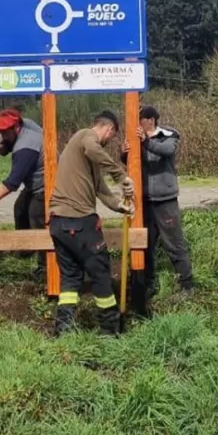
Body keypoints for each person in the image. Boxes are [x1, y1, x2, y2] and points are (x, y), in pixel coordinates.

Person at [48, 110, 135, 336]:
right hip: (80, 223)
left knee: (70, 278)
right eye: (112, 136)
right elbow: (94, 148)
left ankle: (63, 331)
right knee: (100, 275)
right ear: (110, 129)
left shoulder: (87, 156)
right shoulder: (86, 137)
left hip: (58, 224)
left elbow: (100, 190)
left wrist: (120, 206)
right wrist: (120, 174)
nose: (109, 141)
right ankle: (110, 331)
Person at [121, 105, 194, 297]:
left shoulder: (169, 136)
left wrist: (146, 142)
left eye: (141, 119)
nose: (137, 123)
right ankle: (148, 285)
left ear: (150, 119)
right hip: (144, 201)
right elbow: (131, 163)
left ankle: (187, 285)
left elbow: (166, 151)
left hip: (165, 200)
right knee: (145, 245)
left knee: (174, 243)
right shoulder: (137, 140)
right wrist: (124, 152)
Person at [0, 108, 47, 281]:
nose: (2, 134)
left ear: (15, 127)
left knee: (37, 218)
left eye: (4, 131)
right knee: (20, 209)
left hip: (47, 185)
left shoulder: (25, 148)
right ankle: (25, 249)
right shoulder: (26, 125)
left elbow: (13, 181)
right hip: (35, 183)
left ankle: (45, 267)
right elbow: (10, 143)